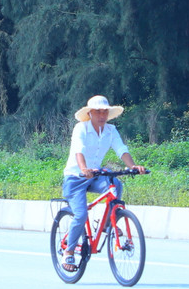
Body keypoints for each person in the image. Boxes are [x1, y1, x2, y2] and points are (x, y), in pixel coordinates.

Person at [60, 95, 146, 272]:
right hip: (76, 178)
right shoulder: (81, 128)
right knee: (81, 215)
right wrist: (84, 168)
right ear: (89, 113)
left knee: (116, 185)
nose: (102, 115)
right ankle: (68, 251)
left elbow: (121, 149)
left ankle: (108, 224)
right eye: (98, 112)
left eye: (104, 112)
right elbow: (78, 149)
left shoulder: (111, 130)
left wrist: (133, 166)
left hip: (95, 175)